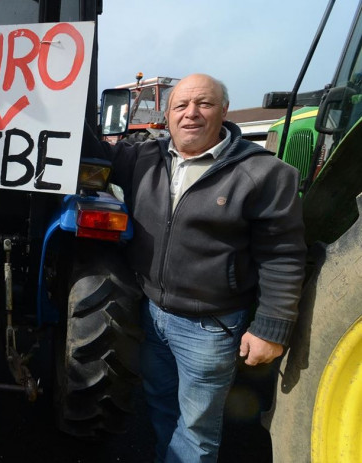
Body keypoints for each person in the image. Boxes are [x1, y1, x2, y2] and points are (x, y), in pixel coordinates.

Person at [97, 74, 306, 462]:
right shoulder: (144, 158)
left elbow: (283, 255)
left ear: (223, 111)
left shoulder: (264, 173)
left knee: (196, 428)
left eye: (204, 104)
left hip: (210, 328)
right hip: (153, 316)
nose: (191, 113)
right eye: (181, 105)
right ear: (167, 115)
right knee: (161, 408)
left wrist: (271, 328)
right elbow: (93, 149)